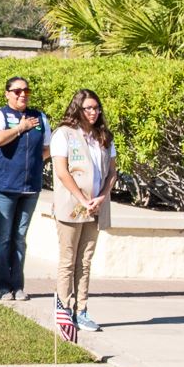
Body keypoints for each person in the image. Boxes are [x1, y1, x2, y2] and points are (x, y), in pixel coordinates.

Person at [50, 89, 116, 331]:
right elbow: (62, 171)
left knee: (85, 261)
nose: (93, 112)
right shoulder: (64, 135)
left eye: (96, 108)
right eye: (88, 108)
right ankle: (64, 309)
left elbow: (112, 171)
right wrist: (82, 198)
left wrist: (101, 197)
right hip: (72, 206)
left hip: (96, 206)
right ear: (77, 108)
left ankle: (82, 309)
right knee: (68, 260)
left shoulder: (103, 136)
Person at [0, 75, 50, 300]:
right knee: (4, 236)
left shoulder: (39, 117)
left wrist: (34, 162)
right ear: (8, 94)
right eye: (17, 91)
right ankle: (2, 287)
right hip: (3, 186)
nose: (23, 94)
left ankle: (17, 285)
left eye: (26, 91)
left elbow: (47, 148)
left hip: (30, 187)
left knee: (20, 237)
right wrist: (20, 128)